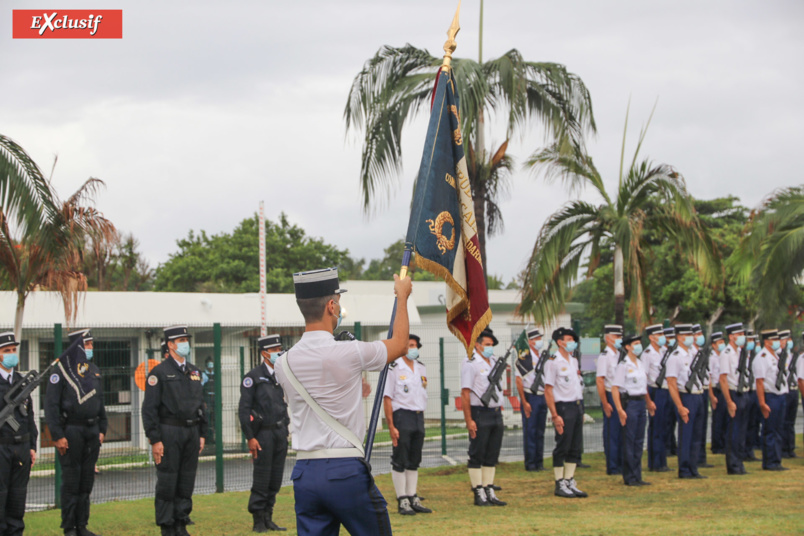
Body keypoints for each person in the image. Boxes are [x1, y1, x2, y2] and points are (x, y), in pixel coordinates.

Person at [275, 267, 410, 536]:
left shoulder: (282, 363)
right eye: (338, 301)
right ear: (331, 306)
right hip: (344, 469)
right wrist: (402, 297)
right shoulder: (350, 351)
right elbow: (400, 344)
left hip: (305, 472)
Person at [142, 325, 207, 536]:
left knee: (186, 481)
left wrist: (203, 433)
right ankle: (167, 526)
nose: (185, 344)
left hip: (191, 431)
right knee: (168, 482)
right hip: (169, 431)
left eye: (186, 340)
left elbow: (201, 405)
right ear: (170, 344)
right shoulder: (158, 372)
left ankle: (181, 523)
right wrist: (155, 439)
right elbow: (149, 409)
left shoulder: (194, 371)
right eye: (180, 340)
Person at [45, 329, 107, 536]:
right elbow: (51, 406)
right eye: (86, 345)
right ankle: (69, 527)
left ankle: (82, 525)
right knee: (72, 482)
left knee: (86, 481)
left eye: (91, 344)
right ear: (76, 347)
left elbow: (100, 402)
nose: (90, 349)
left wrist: (103, 428)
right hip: (71, 430)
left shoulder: (93, 370)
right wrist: (57, 435)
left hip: (92, 430)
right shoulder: (60, 371)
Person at [239, 334, 290, 532]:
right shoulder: (253, 378)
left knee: (275, 478)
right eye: (275, 349)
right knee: (262, 477)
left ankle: (269, 516)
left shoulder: (281, 375)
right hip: (263, 435)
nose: (279, 352)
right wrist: (250, 437)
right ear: (264, 353)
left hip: (279, 432)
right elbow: (244, 409)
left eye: (280, 348)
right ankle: (258, 519)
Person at [383, 334, 432, 516]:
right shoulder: (394, 367)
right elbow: (387, 398)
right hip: (402, 416)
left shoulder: (421, 367)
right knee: (400, 458)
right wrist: (391, 425)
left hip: (418, 416)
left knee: (414, 459)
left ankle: (412, 496)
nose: (413, 348)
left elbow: (422, 394)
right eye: (409, 345)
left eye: (415, 345)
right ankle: (402, 498)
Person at [461, 328, 506, 507]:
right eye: (487, 345)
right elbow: (465, 393)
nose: (490, 348)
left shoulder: (494, 361)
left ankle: (488, 489)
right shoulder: (470, 363)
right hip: (479, 412)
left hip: (495, 413)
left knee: (491, 454)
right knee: (477, 453)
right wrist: (469, 420)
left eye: (491, 345)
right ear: (477, 345)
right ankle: (478, 490)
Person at [0, 332, 37, 536]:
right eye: (6, 351)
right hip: (1, 447)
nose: (12, 354)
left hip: (21, 447)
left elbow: (29, 417)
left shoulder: (22, 381)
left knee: (17, 499)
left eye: (13, 350)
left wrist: (32, 446)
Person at [545, 327, 587, 499]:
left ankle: (569, 479)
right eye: (568, 340)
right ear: (560, 342)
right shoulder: (553, 362)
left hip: (576, 406)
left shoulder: (574, 360)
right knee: (563, 445)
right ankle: (559, 482)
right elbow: (548, 390)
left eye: (573, 340)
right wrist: (555, 415)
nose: (572, 343)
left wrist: (581, 410)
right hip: (563, 407)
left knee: (575, 447)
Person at [612, 334, 655, 486]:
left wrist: (649, 403)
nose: (638, 346)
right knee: (629, 441)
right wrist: (619, 410)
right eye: (635, 344)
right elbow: (615, 388)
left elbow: (644, 388)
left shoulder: (641, 363)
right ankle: (629, 477)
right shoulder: (623, 365)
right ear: (627, 347)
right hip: (629, 404)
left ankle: (637, 475)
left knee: (638, 441)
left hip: (640, 403)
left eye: (639, 343)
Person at [665, 324, 707, 479]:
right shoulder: (675, 356)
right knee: (687, 435)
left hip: (698, 394)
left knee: (697, 435)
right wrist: (680, 406)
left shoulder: (693, 353)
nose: (691, 337)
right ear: (679, 337)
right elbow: (671, 382)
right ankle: (684, 469)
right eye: (687, 335)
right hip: (686, 396)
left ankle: (693, 468)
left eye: (691, 334)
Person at [752, 330, 788, 471]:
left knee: (778, 430)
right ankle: (770, 462)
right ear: (767, 341)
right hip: (770, 396)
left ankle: (776, 460)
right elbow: (759, 382)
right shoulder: (762, 357)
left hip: (780, 395)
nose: (778, 342)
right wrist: (762, 403)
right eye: (774, 339)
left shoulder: (775, 356)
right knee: (770, 430)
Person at [515, 328, 548, 472]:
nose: (539, 341)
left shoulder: (542, 357)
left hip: (542, 395)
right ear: (529, 341)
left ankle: (539, 462)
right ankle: (530, 463)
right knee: (530, 430)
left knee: (540, 430)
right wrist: (524, 401)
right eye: (536, 339)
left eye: (540, 338)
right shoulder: (525, 358)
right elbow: (518, 381)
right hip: (530, 395)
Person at [719, 322, 750, 475]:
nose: (743, 337)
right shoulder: (726, 353)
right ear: (732, 337)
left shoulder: (739, 352)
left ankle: (739, 463)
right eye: (740, 335)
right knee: (734, 431)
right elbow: (723, 379)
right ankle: (733, 465)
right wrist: (729, 401)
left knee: (742, 431)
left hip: (743, 393)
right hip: (733, 394)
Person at [596, 324, 623, 475]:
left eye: (620, 336)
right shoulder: (604, 357)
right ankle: (613, 466)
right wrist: (605, 403)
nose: (620, 339)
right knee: (612, 432)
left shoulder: (620, 355)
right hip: (610, 395)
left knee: (621, 431)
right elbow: (600, 380)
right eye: (616, 336)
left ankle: (620, 463)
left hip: (620, 395)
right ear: (608, 338)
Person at [643, 324, 670, 472]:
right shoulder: (647, 353)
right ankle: (655, 462)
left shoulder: (665, 351)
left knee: (664, 426)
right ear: (651, 337)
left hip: (666, 390)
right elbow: (644, 378)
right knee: (656, 427)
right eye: (658, 335)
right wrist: (648, 400)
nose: (662, 337)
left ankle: (662, 460)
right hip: (655, 391)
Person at [690, 325, 714, 469]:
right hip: (694, 391)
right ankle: (695, 458)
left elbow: (707, 375)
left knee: (702, 426)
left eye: (700, 333)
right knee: (694, 428)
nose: (700, 336)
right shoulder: (690, 353)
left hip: (702, 389)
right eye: (697, 333)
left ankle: (701, 457)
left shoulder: (700, 351)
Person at [778, 330, 798, 459]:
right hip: (784, 390)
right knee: (783, 421)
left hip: (793, 389)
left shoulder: (791, 355)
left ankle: (790, 448)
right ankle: (783, 449)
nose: (787, 342)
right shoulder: (778, 355)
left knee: (790, 422)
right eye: (785, 340)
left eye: (788, 339)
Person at [709, 332, 727, 455]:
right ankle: (717, 445)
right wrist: (712, 396)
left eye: (722, 342)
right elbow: (708, 377)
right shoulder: (711, 358)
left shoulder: (724, 356)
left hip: (724, 388)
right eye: (719, 343)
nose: (722, 344)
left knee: (726, 418)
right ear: (713, 345)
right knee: (718, 419)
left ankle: (724, 443)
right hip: (716, 389)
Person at [743, 330, 760, 462]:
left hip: (754, 390)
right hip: (745, 390)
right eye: (749, 340)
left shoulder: (754, 356)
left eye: (752, 340)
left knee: (753, 422)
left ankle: (750, 448)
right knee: (745, 422)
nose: (751, 343)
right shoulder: (740, 355)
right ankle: (743, 450)